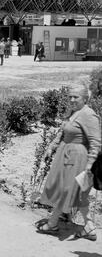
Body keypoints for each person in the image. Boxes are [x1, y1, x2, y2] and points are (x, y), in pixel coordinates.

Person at [36, 84, 101, 241]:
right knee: (76, 193)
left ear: (85, 98)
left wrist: (89, 166)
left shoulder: (88, 115)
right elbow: (62, 131)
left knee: (67, 190)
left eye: (76, 97)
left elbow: (95, 142)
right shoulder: (73, 111)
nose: (71, 99)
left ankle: (52, 224)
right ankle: (89, 228)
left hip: (78, 158)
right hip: (65, 155)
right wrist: (51, 147)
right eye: (70, 96)